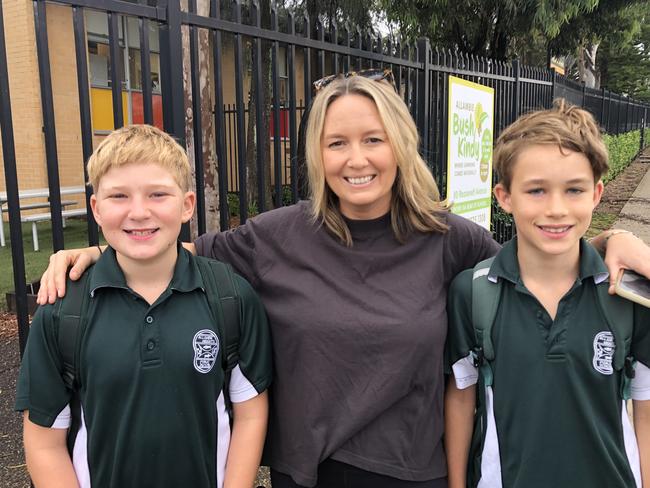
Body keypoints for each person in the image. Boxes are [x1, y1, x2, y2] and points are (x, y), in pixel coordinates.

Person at [36, 72, 650, 487]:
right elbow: (165, 240)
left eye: (373, 140)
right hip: (309, 470)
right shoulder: (276, 236)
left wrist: (607, 241)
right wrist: (92, 253)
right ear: (317, 153)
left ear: (399, 145)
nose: (356, 159)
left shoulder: (448, 238)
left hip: (415, 468)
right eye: (337, 143)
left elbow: (535, 262)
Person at [16, 125, 272, 488]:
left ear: (186, 206)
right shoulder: (63, 310)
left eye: (157, 194)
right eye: (119, 196)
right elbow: (44, 443)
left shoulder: (230, 296)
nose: (138, 212)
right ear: (96, 209)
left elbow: (249, 414)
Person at [444, 101, 650, 488]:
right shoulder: (472, 294)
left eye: (574, 189)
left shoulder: (627, 292)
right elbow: (460, 398)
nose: (556, 209)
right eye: (536, 190)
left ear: (597, 193)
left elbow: (645, 404)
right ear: (504, 197)